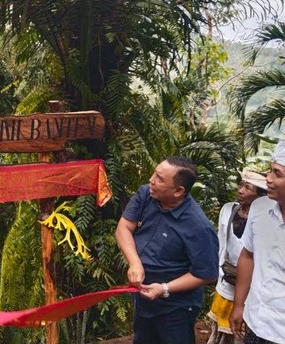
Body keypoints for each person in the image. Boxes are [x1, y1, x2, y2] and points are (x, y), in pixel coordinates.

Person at [115, 156, 219, 344]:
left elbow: (206, 274)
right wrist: (135, 263)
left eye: (160, 179)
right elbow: (124, 227)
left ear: (178, 191)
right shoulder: (146, 194)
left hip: (176, 307)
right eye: (155, 173)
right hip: (144, 297)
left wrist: (164, 288)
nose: (151, 180)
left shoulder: (198, 226)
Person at [230, 141, 285, 344]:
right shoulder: (260, 208)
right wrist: (239, 304)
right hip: (256, 321)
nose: (268, 179)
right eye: (270, 170)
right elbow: (248, 255)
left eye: (277, 174)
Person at [207, 169, 267, 344]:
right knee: (221, 329)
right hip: (227, 278)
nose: (240, 190)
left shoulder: (265, 217)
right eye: (241, 185)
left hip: (252, 283)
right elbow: (222, 243)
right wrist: (219, 273)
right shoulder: (228, 210)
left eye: (248, 188)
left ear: (260, 195)